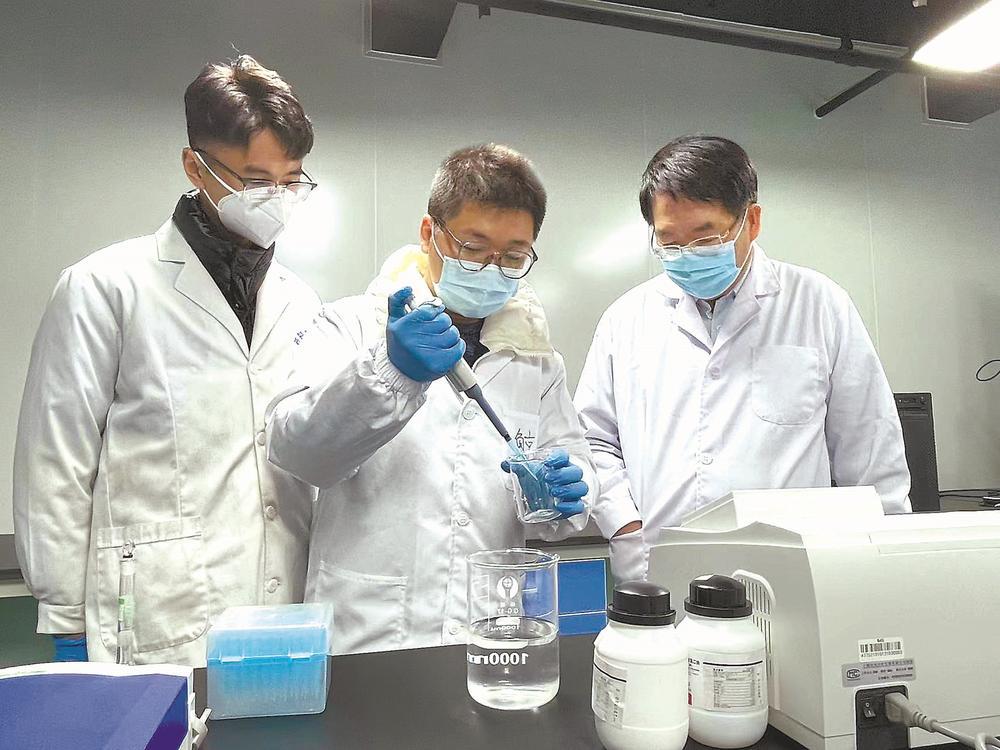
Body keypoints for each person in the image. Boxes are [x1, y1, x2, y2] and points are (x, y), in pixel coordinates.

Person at [13, 55, 322, 666]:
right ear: (194, 166)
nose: (277, 199)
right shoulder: (105, 287)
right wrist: (65, 615)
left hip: (285, 609)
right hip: (156, 611)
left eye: (292, 180)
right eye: (255, 180)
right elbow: (55, 464)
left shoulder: (300, 301)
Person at [267, 144, 594, 655]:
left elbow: (571, 469)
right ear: (429, 233)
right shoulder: (350, 325)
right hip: (371, 630)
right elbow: (298, 453)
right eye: (473, 246)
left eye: (513, 257)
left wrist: (565, 497)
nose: (492, 269)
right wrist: (389, 373)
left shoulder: (538, 362)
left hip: (493, 627)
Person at [575, 135, 910, 580]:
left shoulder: (819, 305)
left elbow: (869, 446)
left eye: (705, 237)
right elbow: (593, 438)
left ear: (751, 221)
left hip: (790, 571)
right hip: (656, 566)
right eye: (669, 242)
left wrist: (888, 563)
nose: (686, 256)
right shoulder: (625, 319)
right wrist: (625, 524)